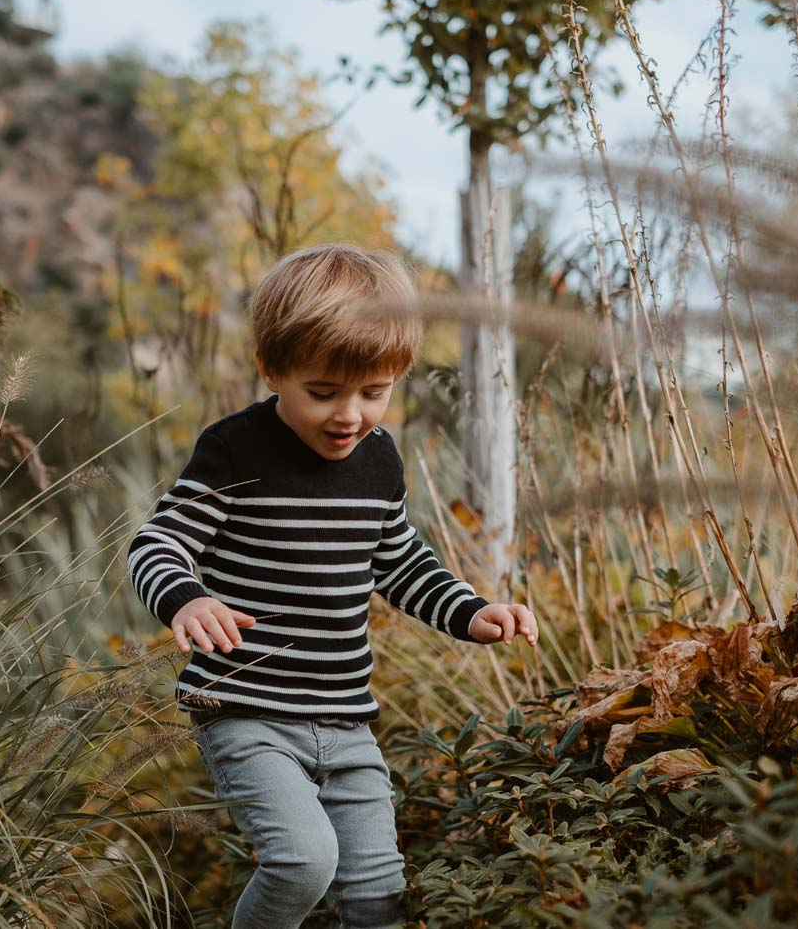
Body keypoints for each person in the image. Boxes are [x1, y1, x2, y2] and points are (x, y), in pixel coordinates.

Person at [126, 242, 539, 929]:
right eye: (324, 393)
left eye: (373, 392)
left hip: (347, 721)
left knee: (378, 892)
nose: (349, 414)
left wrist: (471, 612)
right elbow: (158, 543)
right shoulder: (235, 450)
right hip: (247, 711)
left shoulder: (377, 460)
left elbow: (400, 563)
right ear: (272, 370)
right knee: (303, 861)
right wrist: (187, 598)